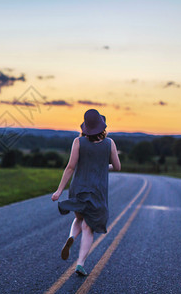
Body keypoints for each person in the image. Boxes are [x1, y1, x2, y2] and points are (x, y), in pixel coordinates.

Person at [51, 109, 121, 276]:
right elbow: (117, 167)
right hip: (97, 191)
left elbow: (70, 167)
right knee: (88, 227)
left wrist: (59, 191)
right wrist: (104, 166)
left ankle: (72, 237)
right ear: (101, 127)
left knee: (79, 218)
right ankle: (80, 264)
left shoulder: (78, 142)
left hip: (79, 188)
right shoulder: (109, 143)